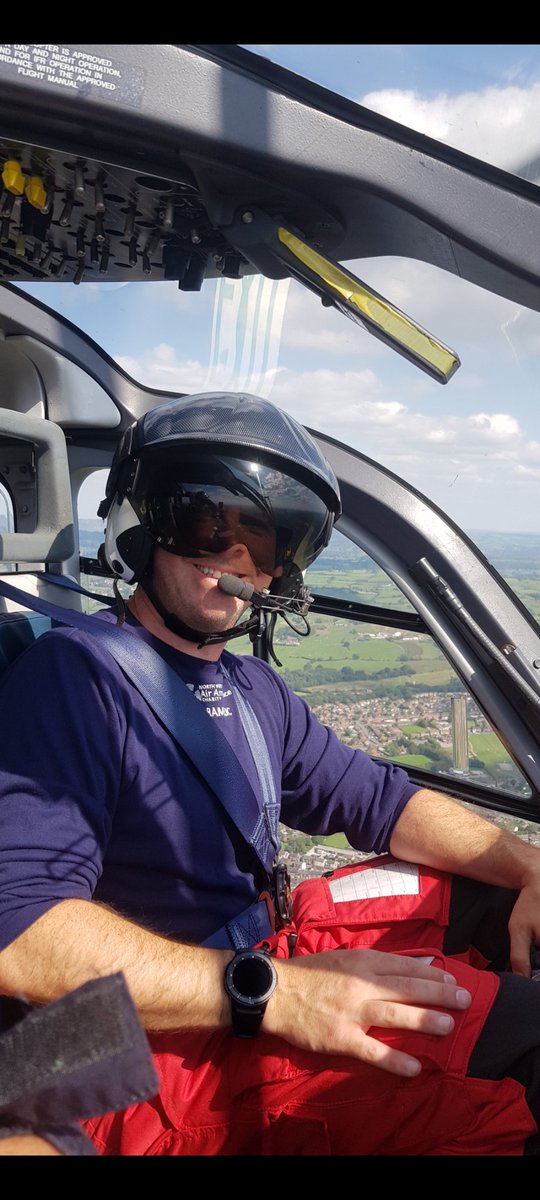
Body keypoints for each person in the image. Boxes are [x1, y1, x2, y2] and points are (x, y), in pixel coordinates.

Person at [1, 389, 540, 1157]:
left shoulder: (256, 691)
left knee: (498, 894)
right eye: (209, 525)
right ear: (147, 521)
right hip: (124, 1045)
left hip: (259, 955)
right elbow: (18, 934)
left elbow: (383, 802)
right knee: (523, 1049)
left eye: (269, 542)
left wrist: (526, 864)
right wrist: (278, 994)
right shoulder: (75, 679)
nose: (239, 562)